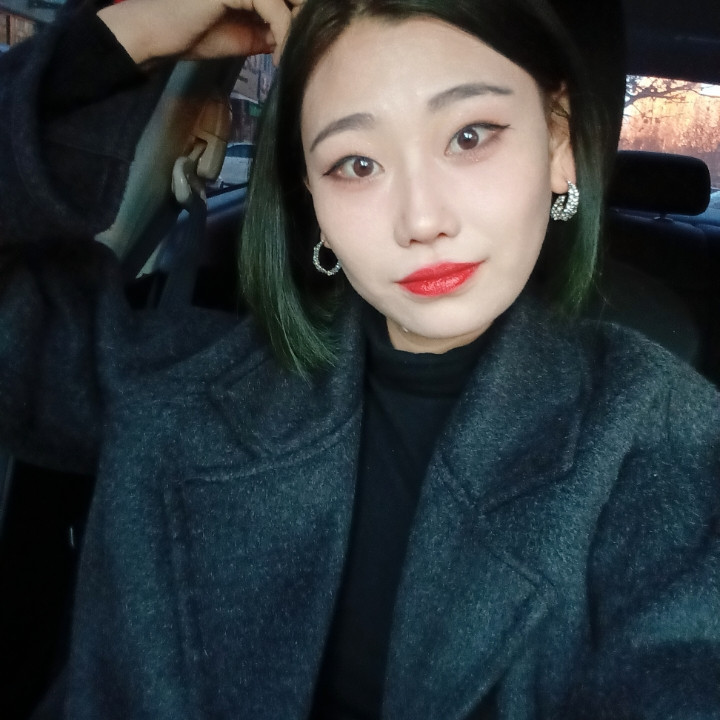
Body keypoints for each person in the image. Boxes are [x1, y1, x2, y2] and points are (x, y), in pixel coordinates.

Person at [0, 0, 718, 718]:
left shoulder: (666, 443)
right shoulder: (175, 386)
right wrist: (121, 38)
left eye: (469, 136)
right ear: (313, 199)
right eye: (357, 163)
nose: (421, 220)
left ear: (557, 141)